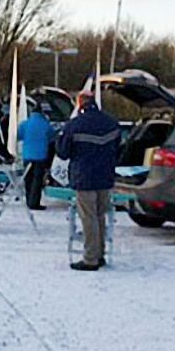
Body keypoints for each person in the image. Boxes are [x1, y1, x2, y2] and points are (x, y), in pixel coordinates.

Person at [56, 91, 121, 271]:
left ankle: (90, 258)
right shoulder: (111, 123)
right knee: (100, 215)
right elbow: (119, 148)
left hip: (84, 176)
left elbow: (62, 152)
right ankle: (100, 253)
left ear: (80, 104)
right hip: (105, 176)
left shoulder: (74, 125)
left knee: (88, 217)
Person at [18, 107, 57, 210]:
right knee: (37, 179)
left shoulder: (25, 124)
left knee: (28, 178)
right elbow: (52, 136)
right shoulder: (45, 124)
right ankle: (34, 202)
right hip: (40, 156)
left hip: (27, 155)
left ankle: (28, 200)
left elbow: (19, 135)